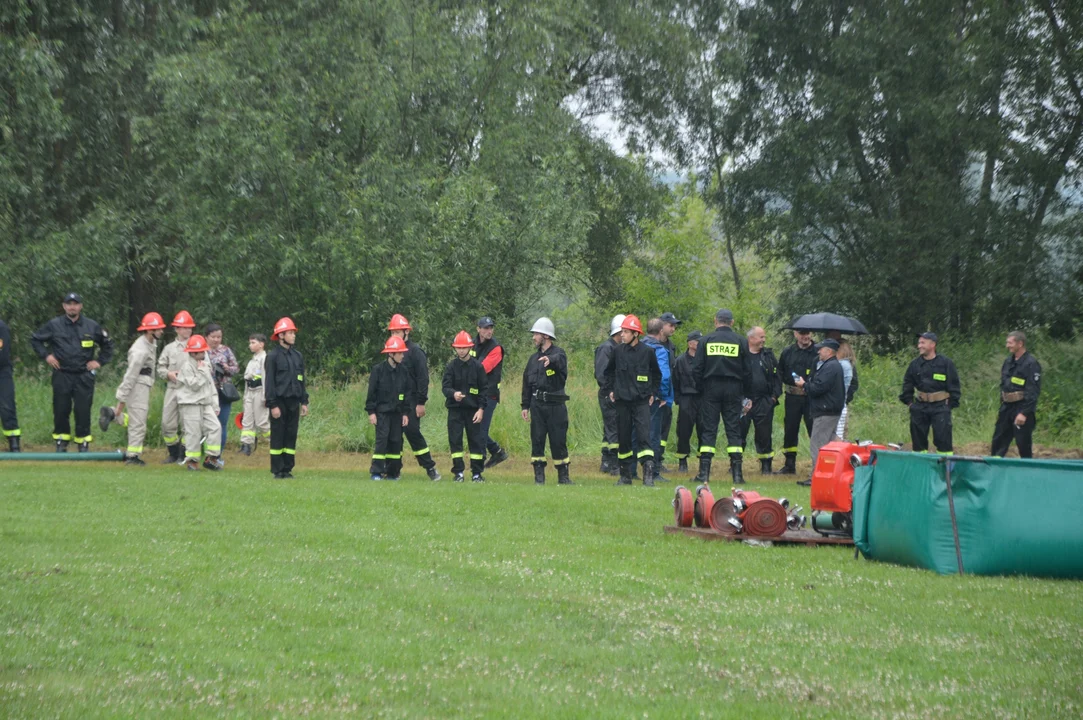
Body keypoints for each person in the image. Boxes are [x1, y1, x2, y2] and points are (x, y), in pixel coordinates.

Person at [31, 292, 115, 452]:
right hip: (62, 373)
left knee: (83, 409)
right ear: (64, 306)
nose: (72, 307)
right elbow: (35, 340)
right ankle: (61, 441)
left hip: (84, 374)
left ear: (80, 306)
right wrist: (47, 356)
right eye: (69, 304)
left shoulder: (91, 326)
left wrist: (98, 361)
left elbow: (108, 345)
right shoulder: (54, 325)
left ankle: (83, 442)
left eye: (75, 304)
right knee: (61, 408)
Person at [691, 308, 752, 485]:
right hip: (734, 388)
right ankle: (737, 475)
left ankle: (704, 474)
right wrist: (745, 394)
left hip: (711, 388)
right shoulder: (741, 341)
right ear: (731, 322)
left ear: (715, 321)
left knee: (709, 429)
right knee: (733, 429)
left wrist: (701, 388)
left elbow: (697, 368)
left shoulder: (705, 340)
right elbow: (748, 371)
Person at [98, 312, 166, 465]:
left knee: (137, 419)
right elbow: (131, 375)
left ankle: (111, 414)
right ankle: (132, 456)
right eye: (158, 328)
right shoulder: (140, 350)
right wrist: (122, 399)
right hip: (137, 386)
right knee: (138, 422)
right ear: (150, 330)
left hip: (143, 384)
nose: (162, 331)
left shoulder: (150, 343)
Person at [603, 314, 662, 486]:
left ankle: (648, 476)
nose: (622, 335)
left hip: (641, 402)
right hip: (622, 402)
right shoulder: (617, 351)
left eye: (626, 332)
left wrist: (653, 393)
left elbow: (657, 375)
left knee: (644, 437)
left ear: (636, 334)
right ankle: (625, 476)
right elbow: (608, 373)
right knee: (624, 438)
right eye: (622, 332)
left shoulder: (648, 352)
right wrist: (611, 390)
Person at [388, 314, 441, 481]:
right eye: (392, 332)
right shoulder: (391, 352)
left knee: (412, 432)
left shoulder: (415, 352)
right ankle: (393, 470)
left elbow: (423, 378)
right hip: (394, 403)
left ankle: (430, 467)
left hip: (411, 402)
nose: (395, 335)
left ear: (406, 332)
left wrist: (421, 402)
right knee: (394, 436)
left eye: (398, 332)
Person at [521, 317, 572, 485]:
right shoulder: (532, 360)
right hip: (537, 406)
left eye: (536, 334)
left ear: (546, 336)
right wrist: (525, 406)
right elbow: (526, 384)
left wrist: (550, 361)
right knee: (537, 440)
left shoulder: (559, 354)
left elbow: (559, 360)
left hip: (555, 406)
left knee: (558, 441)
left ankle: (563, 478)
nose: (534, 337)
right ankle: (539, 479)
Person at [899, 332, 960, 455]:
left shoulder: (946, 363)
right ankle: (921, 468)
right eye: (919, 343)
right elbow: (907, 384)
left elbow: (954, 386)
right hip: (920, 407)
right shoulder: (915, 364)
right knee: (918, 442)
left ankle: (945, 469)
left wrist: (949, 405)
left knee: (943, 440)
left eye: (923, 343)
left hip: (941, 407)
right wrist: (910, 404)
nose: (919, 346)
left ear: (932, 344)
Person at [265, 317, 309, 479]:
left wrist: (304, 401)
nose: (293, 335)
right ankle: (277, 469)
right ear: (281, 335)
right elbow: (269, 382)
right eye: (290, 333)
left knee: (291, 435)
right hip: (279, 402)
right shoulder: (273, 356)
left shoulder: (297, 356)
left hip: (294, 401)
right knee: (278, 435)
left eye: (293, 333)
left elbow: (301, 380)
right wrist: (272, 404)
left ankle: (287, 468)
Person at [793, 338, 844, 478]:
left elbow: (818, 388)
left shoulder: (831, 367)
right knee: (830, 443)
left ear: (829, 351)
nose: (819, 351)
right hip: (830, 410)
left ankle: (816, 476)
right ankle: (829, 474)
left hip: (825, 411)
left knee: (818, 444)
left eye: (821, 349)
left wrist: (804, 385)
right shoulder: (830, 365)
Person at [444, 331, 489, 482]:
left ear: (470, 347)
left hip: (473, 411)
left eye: (464, 347)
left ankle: (477, 473)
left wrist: (481, 409)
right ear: (455, 349)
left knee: (476, 441)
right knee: (455, 441)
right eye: (458, 348)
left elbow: (484, 390)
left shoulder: (478, 367)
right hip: (455, 410)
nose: (461, 350)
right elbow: (445, 387)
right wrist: (453, 394)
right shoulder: (451, 366)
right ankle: (458, 473)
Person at [175, 334, 223, 471]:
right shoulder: (186, 367)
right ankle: (192, 462)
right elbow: (194, 385)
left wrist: (215, 404)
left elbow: (210, 386)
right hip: (190, 404)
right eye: (201, 351)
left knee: (215, 427)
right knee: (193, 433)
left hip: (205, 403)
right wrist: (203, 371)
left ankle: (211, 458)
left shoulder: (204, 365)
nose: (204, 353)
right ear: (193, 352)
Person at [366, 336, 411, 481]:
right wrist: (371, 412)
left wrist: (405, 413)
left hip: (397, 414)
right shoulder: (378, 370)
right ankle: (377, 472)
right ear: (391, 354)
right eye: (400, 353)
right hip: (382, 414)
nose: (403, 356)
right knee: (382, 442)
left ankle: (392, 472)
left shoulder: (404, 371)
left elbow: (407, 393)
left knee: (396, 442)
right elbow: (371, 393)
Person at [991, 330, 1042, 459]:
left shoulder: (1031, 363)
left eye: (1010, 343)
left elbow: (1033, 391)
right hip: (1006, 407)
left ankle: (1027, 471)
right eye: (1007, 342)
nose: (1007, 345)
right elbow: (1004, 385)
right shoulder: (1008, 362)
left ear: (1020, 343)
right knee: (998, 440)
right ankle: (995, 468)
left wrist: (1024, 413)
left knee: (1023, 443)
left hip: (1021, 408)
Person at [775, 329, 818, 475]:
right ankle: (789, 464)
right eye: (802, 333)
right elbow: (779, 373)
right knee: (790, 429)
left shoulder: (818, 352)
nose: (805, 336)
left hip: (812, 397)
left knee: (814, 430)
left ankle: (817, 465)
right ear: (795, 334)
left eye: (807, 333)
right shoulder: (788, 352)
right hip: (792, 396)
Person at [741, 326, 781, 474]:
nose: (764, 340)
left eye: (764, 337)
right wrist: (740, 399)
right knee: (739, 433)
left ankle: (766, 466)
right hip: (744, 401)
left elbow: (778, 377)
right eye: (761, 337)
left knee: (764, 435)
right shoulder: (741, 355)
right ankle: (735, 464)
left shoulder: (768, 356)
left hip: (764, 401)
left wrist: (773, 397)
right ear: (751, 339)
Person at [157, 310, 196, 464]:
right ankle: (172, 452)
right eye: (184, 327)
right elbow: (160, 368)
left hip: (190, 390)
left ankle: (183, 454)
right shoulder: (169, 348)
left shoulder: (197, 345)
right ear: (177, 329)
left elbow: (205, 367)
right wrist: (168, 374)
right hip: (173, 389)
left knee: (188, 423)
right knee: (167, 423)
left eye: (189, 327)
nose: (187, 330)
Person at [472, 316, 508, 468]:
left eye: (491, 328)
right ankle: (497, 451)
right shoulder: (472, 344)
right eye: (485, 328)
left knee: (480, 429)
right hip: (475, 393)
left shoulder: (496, 348)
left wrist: (464, 371)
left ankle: (478, 468)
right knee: (475, 428)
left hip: (489, 395)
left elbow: (482, 369)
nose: (489, 331)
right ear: (478, 329)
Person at [642, 318, 673, 482]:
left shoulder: (638, 347)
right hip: (654, 398)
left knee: (636, 433)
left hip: (638, 397)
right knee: (654, 434)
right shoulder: (659, 350)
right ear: (661, 331)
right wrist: (662, 395)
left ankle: (631, 470)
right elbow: (664, 376)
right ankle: (653, 472)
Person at [594, 315, 625, 475]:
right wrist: (611, 391)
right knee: (613, 428)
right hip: (608, 394)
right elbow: (601, 374)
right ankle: (613, 464)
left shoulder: (617, 348)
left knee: (609, 429)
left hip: (615, 393)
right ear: (619, 332)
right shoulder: (606, 348)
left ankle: (605, 462)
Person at [205, 323, 239, 453]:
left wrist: (227, 368)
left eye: (219, 337)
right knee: (206, 423)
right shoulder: (201, 351)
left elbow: (236, 369)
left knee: (222, 423)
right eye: (213, 337)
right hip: (207, 391)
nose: (216, 339)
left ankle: (218, 453)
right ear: (206, 337)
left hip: (223, 392)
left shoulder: (226, 350)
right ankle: (205, 450)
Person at [672, 330, 702, 473]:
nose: (700, 344)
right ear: (690, 343)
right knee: (683, 431)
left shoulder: (705, 359)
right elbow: (675, 381)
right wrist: (678, 399)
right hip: (686, 399)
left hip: (702, 399)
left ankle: (704, 461)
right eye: (698, 341)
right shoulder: (680, 361)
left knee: (704, 429)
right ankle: (682, 461)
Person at [239, 333, 271, 456]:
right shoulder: (252, 360)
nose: (250, 345)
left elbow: (265, 379)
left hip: (259, 392)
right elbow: (247, 379)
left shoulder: (265, 359)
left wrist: (265, 396)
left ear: (261, 344)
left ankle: (275, 441)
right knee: (247, 421)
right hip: (250, 393)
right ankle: (246, 446)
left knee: (261, 422)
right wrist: (246, 396)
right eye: (250, 343)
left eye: (253, 343)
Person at [657, 312, 681, 468]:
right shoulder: (651, 344)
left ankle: (659, 459)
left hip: (668, 394)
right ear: (661, 325)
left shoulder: (671, 347)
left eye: (675, 326)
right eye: (670, 325)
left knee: (664, 429)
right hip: (654, 395)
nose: (673, 328)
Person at [0, 317, 21, 452]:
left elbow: (2, 354)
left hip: (2, 372)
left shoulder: (1, 327)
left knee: (7, 406)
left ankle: (13, 441)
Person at [835, 341, 856, 440]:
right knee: (840, 434)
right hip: (842, 403)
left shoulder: (842, 365)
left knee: (837, 436)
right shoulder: (848, 365)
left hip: (838, 404)